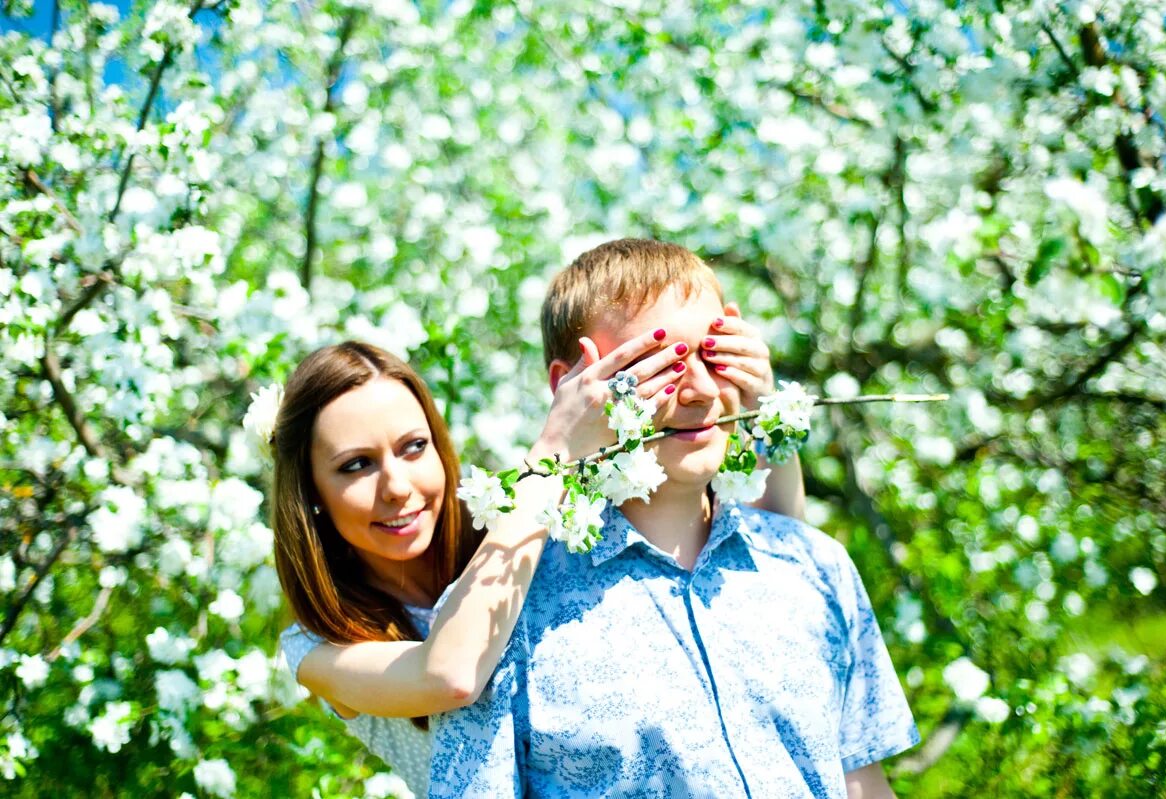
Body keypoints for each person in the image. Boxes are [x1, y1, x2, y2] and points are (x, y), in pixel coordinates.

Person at [429, 239, 920, 799]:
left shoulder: (812, 565)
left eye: (714, 358)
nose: (703, 392)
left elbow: (862, 782)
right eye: (659, 365)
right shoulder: (503, 614)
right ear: (570, 385)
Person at [271, 328, 806, 795]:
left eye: (414, 448)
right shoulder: (318, 647)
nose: (396, 487)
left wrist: (761, 408)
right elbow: (450, 675)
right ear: (311, 490)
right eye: (356, 466)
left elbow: (772, 563)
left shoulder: (511, 529)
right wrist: (554, 446)